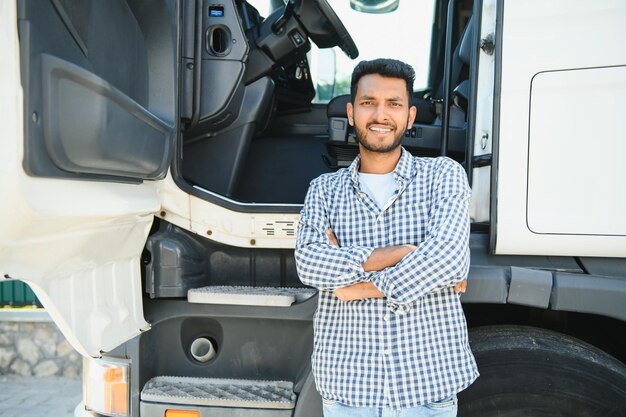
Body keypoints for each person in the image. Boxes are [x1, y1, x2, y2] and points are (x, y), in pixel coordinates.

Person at [295, 58, 478, 417]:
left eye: (394, 104)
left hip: (427, 386)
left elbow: (449, 259)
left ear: (410, 117)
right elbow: (310, 265)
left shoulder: (443, 175)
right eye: (368, 103)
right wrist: (403, 253)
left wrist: (356, 286)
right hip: (349, 390)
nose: (381, 114)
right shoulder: (323, 190)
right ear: (351, 112)